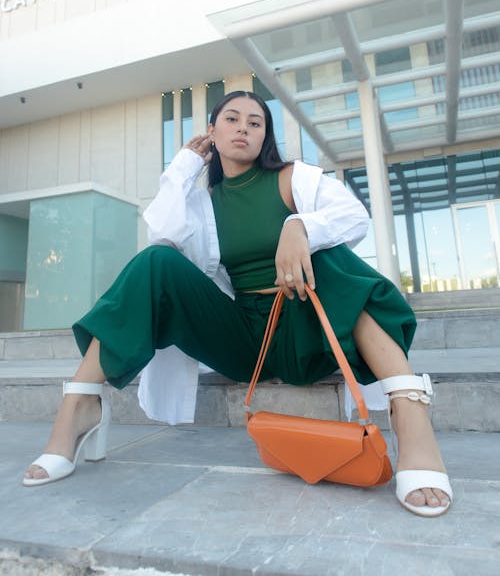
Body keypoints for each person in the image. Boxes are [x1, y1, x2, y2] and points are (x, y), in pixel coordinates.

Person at [23, 90, 452, 517]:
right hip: (247, 337)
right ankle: (80, 404)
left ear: (265, 136)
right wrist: (184, 166)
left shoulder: (293, 178)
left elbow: (354, 217)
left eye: (255, 121)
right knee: (156, 262)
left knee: (330, 254)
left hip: (309, 327)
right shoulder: (201, 200)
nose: (243, 127)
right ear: (213, 131)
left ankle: (409, 412)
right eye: (231, 119)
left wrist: (299, 225)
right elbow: (163, 233)